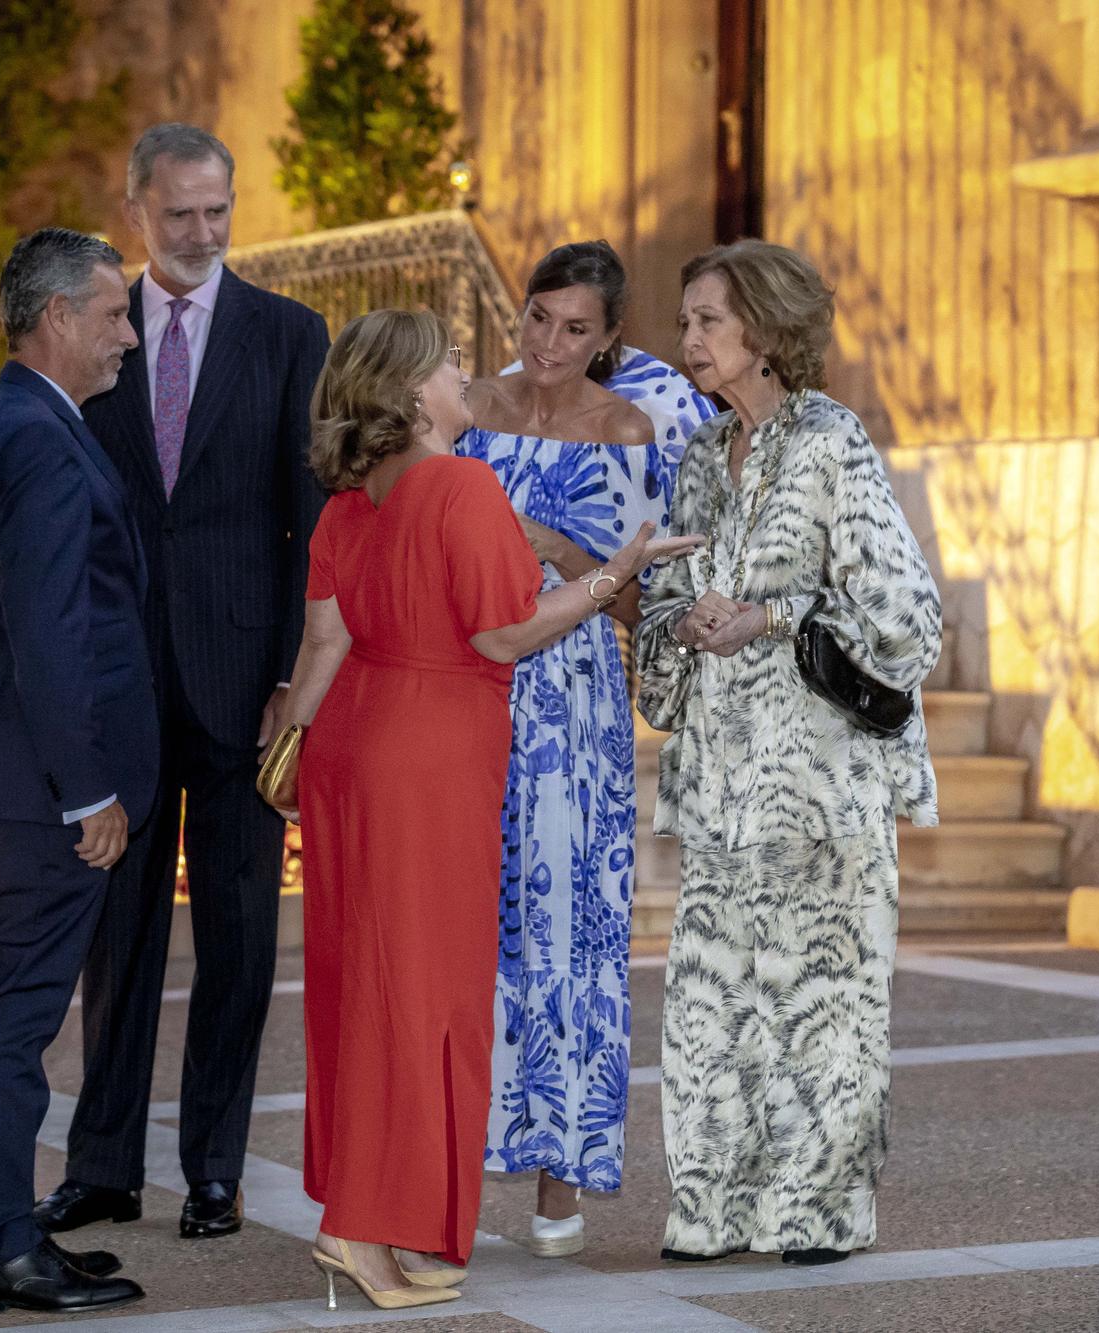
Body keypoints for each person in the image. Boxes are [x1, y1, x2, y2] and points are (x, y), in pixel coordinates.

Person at [272, 309, 701, 1310]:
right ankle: (359, 1232)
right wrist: (610, 578)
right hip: (426, 760)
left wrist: (288, 753)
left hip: (352, 753)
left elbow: (323, 642)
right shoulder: (460, 487)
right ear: (412, 391)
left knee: (362, 987)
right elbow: (506, 635)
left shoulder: (351, 499)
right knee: (416, 998)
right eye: (449, 363)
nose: (467, 374)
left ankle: (382, 1218)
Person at [43, 123, 330, 1243]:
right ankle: (103, 1164)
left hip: (240, 690)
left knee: (241, 938)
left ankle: (214, 1166)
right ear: (135, 213)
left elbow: (310, 518)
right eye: (179, 215)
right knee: (114, 941)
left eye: (217, 210)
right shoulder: (88, 325)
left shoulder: (286, 333)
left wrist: (291, 681)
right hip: (120, 690)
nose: (202, 233)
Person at [637, 240, 942, 1266]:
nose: (687, 341)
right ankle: (712, 1211)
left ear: (763, 330)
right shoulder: (694, 458)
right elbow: (664, 612)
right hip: (720, 786)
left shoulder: (830, 441)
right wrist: (680, 625)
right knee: (709, 1006)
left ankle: (816, 1214)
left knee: (823, 1004)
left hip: (820, 787)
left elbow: (903, 617)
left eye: (706, 321)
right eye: (682, 322)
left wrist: (765, 615)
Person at [460, 241, 715, 1257]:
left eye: (576, 329)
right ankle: (453, 1159)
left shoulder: (631, 430)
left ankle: (560, 1178)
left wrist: (563, 553)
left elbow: (652, 589)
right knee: (470, 931)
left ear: (610, 339)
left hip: (570, 705)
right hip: (467, 685)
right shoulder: (467, 410)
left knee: (570, 934)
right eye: (536, 319)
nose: (549, 344)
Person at [0, 228, 159, 1315]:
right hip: (37, 791)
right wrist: (88, 790)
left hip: (20, 779)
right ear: (57, 319)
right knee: (10, 1023)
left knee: (3, 1017)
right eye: (114, 314)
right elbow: (48, 630)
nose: (129, 333)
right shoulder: (33, 436)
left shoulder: (27, 421)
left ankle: (5, 1233)